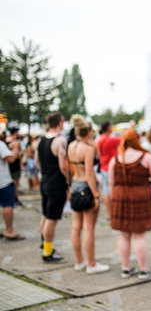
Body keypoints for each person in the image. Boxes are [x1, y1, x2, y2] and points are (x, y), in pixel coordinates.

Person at [108, 130, 151, 279]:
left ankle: (126, 268)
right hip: (140, 196)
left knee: (124, 235)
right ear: (137, 140)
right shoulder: (146, 157)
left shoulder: (116, 158)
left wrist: (114, 201)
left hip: (119, 196)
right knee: (139, 235)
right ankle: (143, 270)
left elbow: (111, 182)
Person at [67, 115, 110, 274]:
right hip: (87, 186)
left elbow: (70, 169)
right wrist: (96, 195)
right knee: (89, 228)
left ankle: (79, 262)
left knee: (76, 227)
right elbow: (90, 174)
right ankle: (91, 264)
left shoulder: (71, 146)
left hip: (75, 185)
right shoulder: (88, 149)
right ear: (89, 131)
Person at [36, 112, 69, 262]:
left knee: (45, 215)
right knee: (51, 218)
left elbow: (37, 161)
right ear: (60, 123)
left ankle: (45, 244)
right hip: (56, 183)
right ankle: (47, 252)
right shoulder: (60, 140)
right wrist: (69, 181)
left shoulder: (42, 140)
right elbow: (63, 166)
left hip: (45, 180)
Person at [0, 125, 25, 240]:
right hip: (3, 181)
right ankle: (9, 231)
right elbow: (11, 159)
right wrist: (15, 148)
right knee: (7, 205)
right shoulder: (1, 144)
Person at [96, 121, 121, 221]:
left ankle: (109, 214)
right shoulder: (111, 140)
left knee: (106, 190)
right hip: (111, 168)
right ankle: (114, 212)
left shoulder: (99, 140)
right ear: (108, 128)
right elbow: (124, 139)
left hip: (103, 166)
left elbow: (98, 154)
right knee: (113, 190)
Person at [7, 127, 23, 207]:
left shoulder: (6, 140)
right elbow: (16, 156)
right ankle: (15, 200)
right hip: (14, 165)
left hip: (7, 166)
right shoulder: (16, 143)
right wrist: (21, 153)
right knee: (15, 184)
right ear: (15, 133)